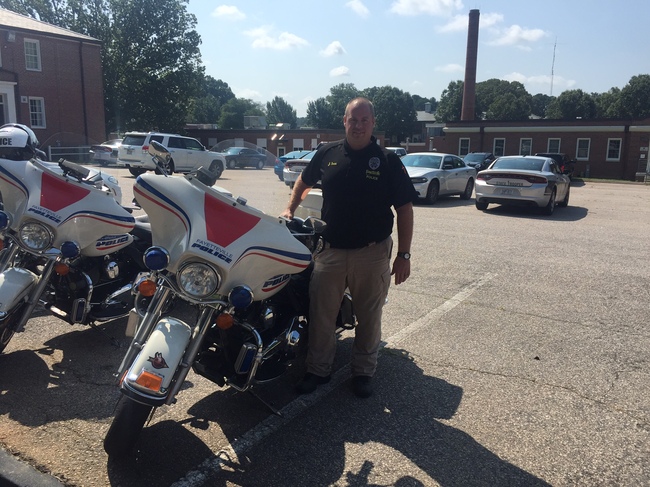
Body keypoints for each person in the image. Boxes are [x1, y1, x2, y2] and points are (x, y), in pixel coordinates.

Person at [281, 97, 416, 398]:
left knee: (368, 317)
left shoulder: (387, 161)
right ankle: (318, 370)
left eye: (364, 120)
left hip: (372, 253)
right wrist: (290, 209)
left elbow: (405, 209)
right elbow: (303, 181)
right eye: (353, 120)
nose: (358, 125)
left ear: (373, 123)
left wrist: (404, 255)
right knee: (321, 315)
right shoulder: (327, 153)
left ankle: (363, 372)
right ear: (344, 121)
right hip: (329, 250)